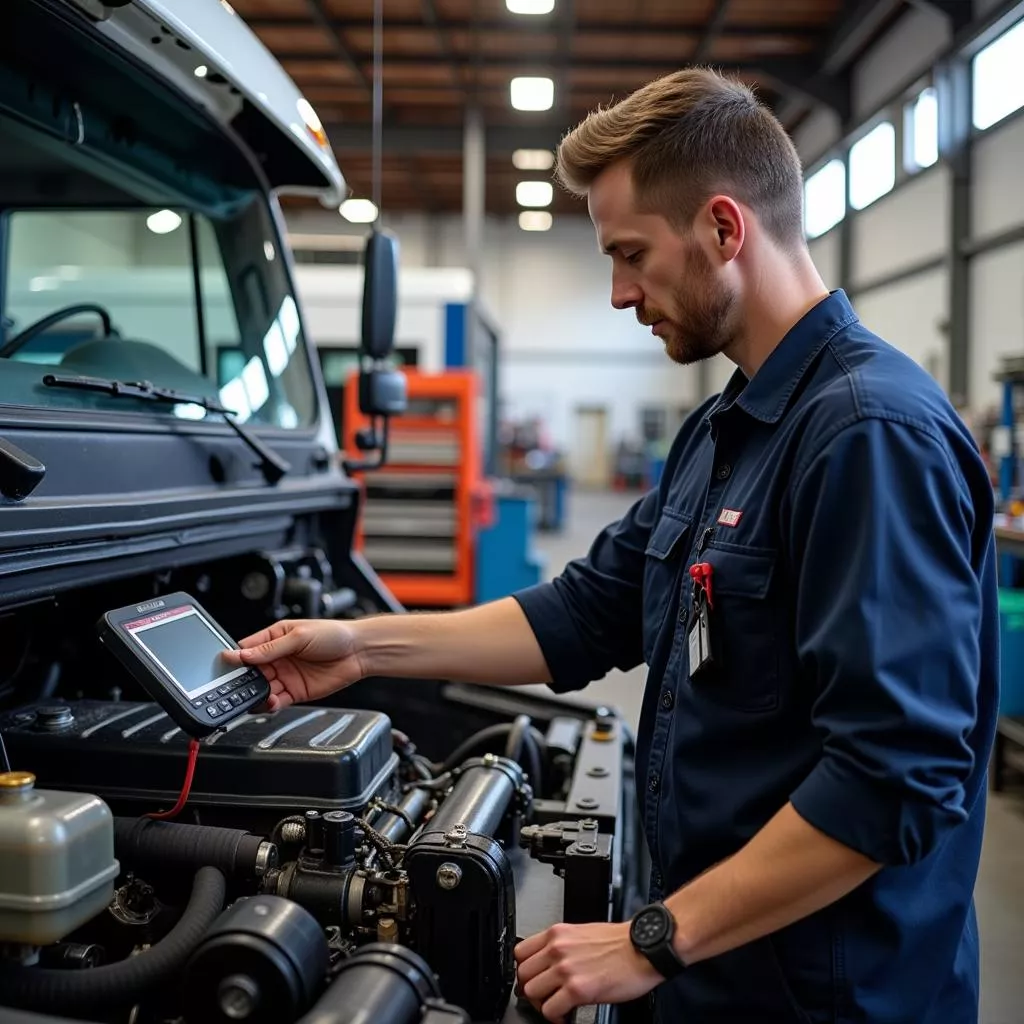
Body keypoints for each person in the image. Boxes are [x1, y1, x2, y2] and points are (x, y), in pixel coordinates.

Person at [224, 68, 998, 1024]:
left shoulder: (868, 435)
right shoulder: (723, 429)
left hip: (825, 996)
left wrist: (652, 939)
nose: (621, 293)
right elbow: (585, 614)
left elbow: (896, 782)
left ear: (725, 228)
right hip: (715, 975)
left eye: (631, 254)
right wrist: (366, 647)